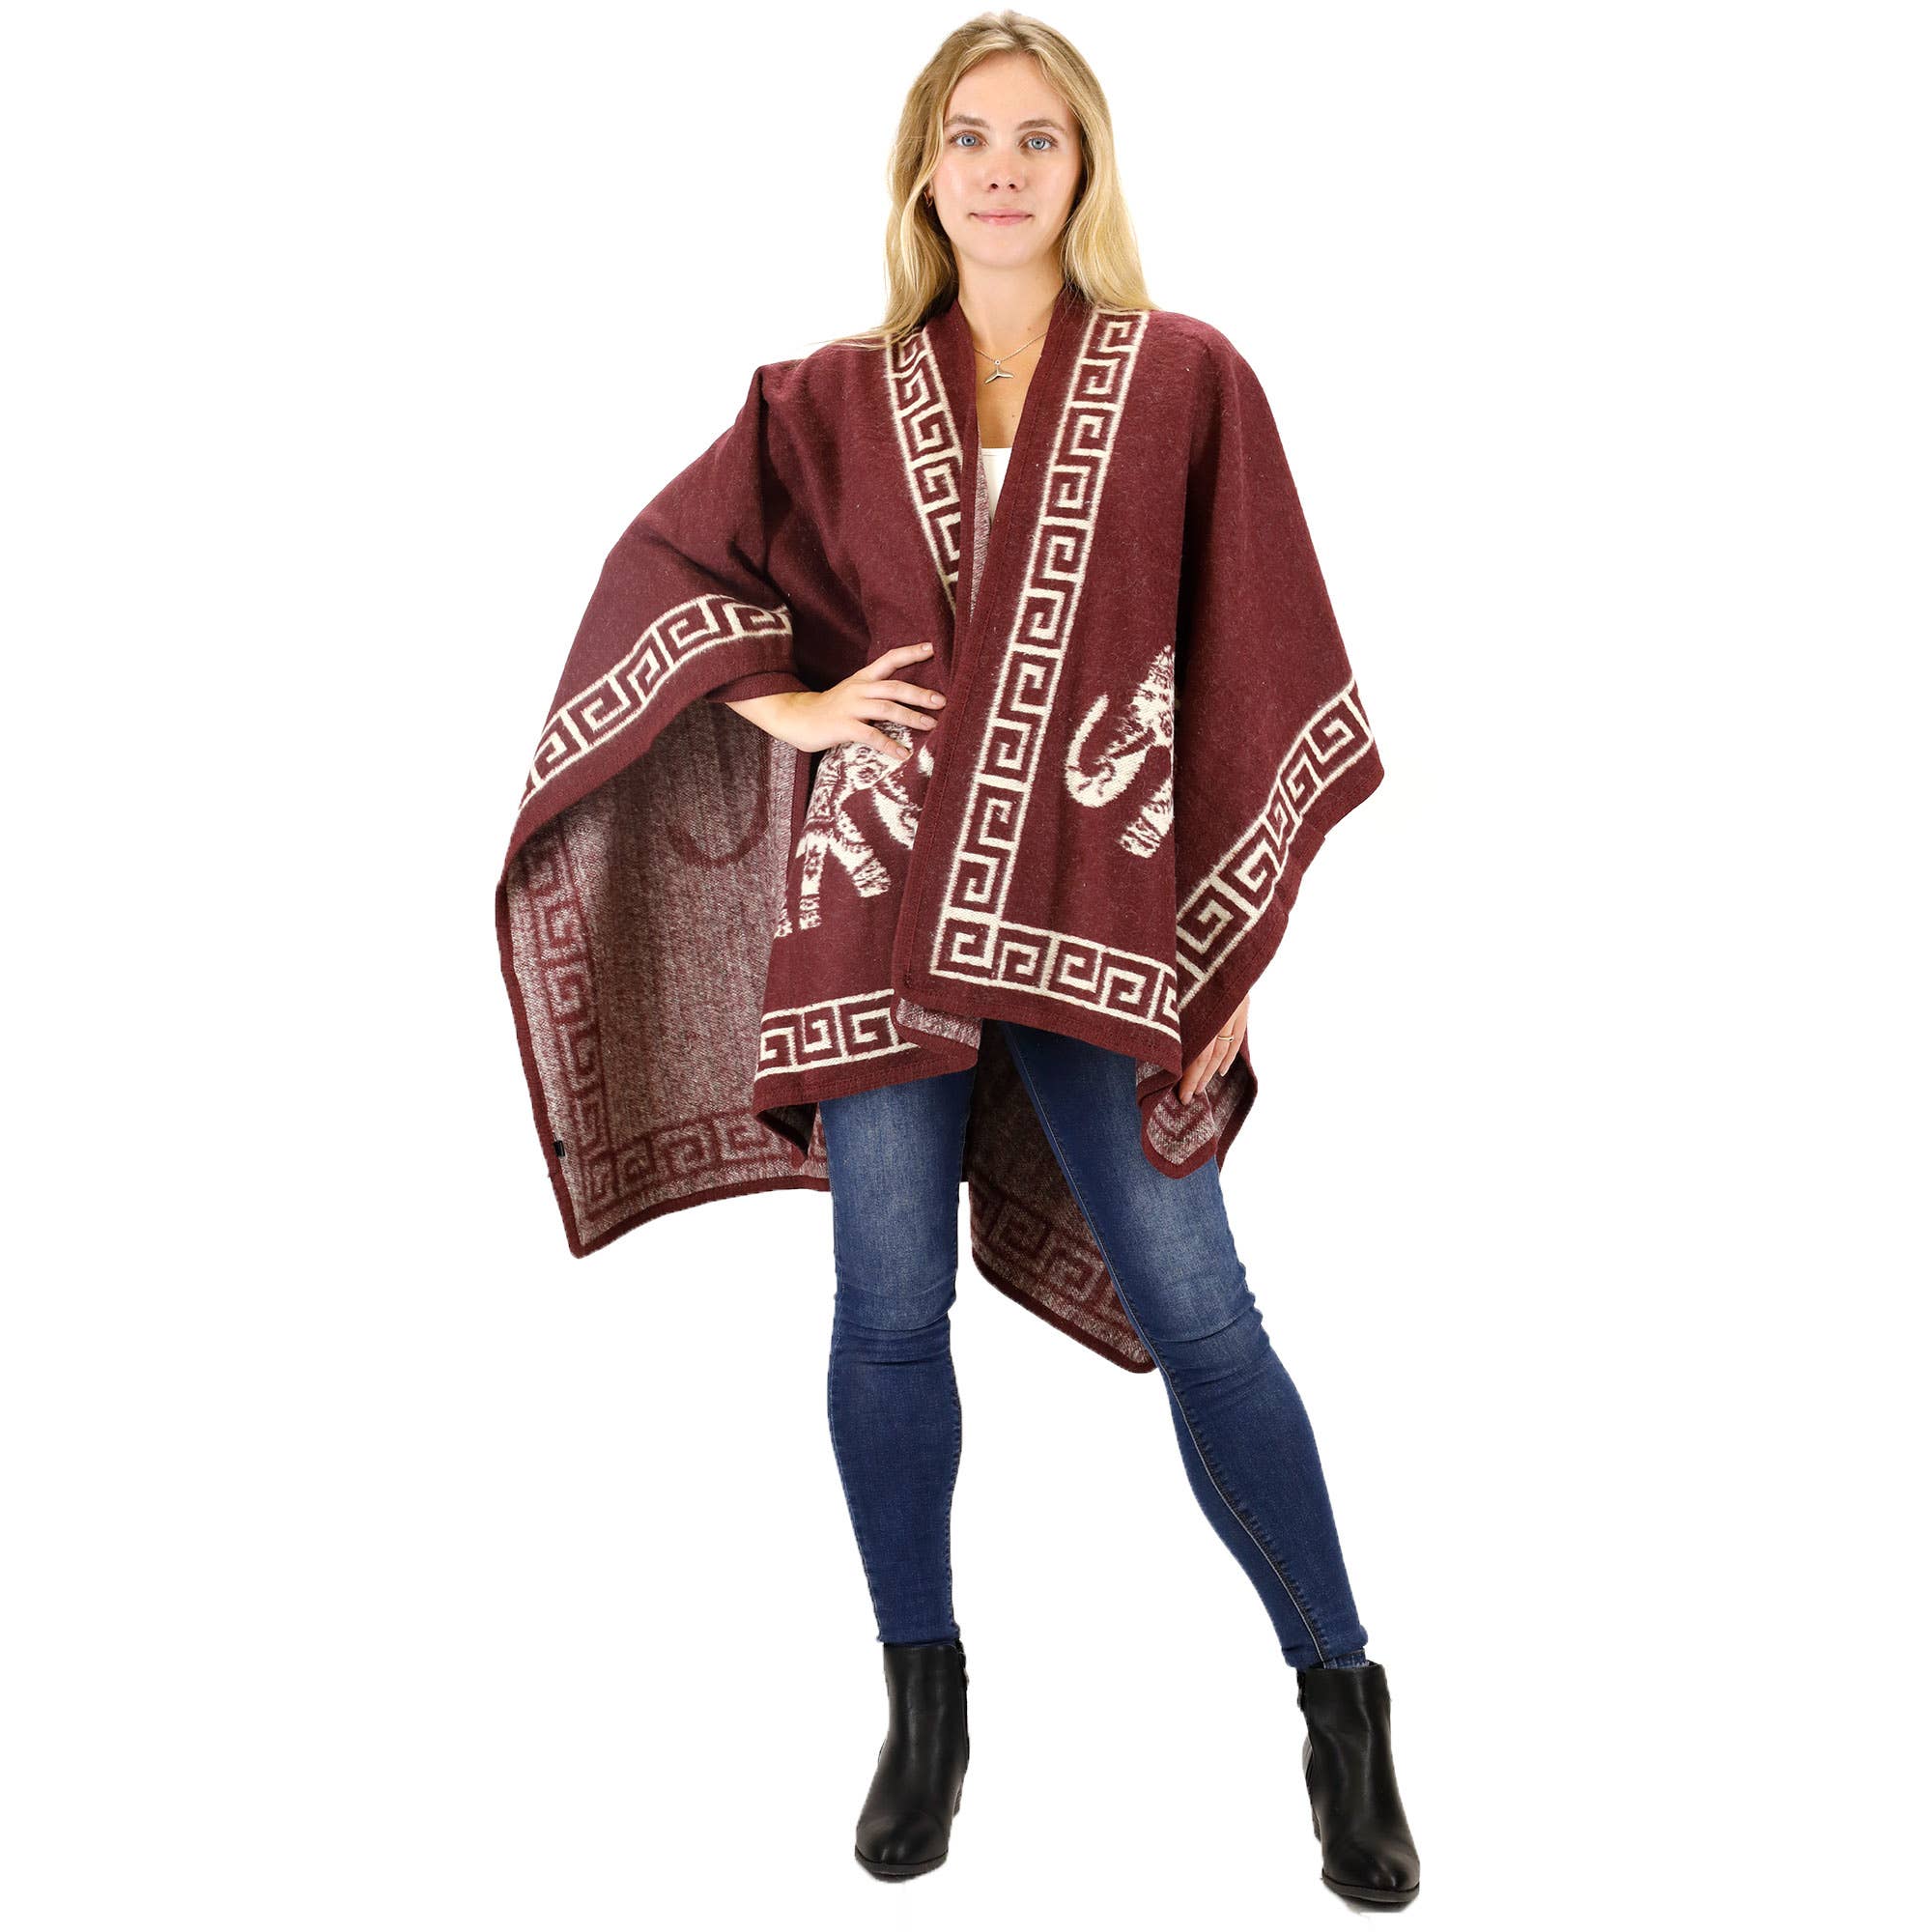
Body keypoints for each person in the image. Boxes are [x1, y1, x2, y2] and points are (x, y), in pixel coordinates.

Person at [707, 15, 1421, 1906]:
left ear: (1085, 165)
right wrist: (794, 709)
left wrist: (1233, 937)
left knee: (1205, 1313)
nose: (1003, 169)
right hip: (880, 909)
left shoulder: (1185, 378)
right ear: (922, 173)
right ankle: (922, 1699)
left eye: (1039, 137)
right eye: (970, 138)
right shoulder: (829, 398)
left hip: (1107, 915)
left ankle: (1343, 1701)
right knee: (884, 1312)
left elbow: (1255, 642)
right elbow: (677, 572)